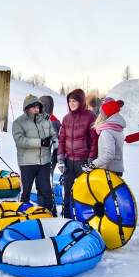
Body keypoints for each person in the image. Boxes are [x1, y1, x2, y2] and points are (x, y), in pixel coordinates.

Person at [12, 95, 58, 215]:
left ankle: (49, 215)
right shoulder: (18, 122)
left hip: (44, 162)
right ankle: (21, 216)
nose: (36, 110)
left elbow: (54, 136)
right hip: (27, 163)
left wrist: (57, 147)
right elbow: (20, 140)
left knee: (46, 190)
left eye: (38, 107)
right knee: (26, 191)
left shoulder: (46, 120)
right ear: (27, 108)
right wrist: (40, 142)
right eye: (33, 107)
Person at [56, 89, 96, 218]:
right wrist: (61, 159)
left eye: (74, 101)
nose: (71, 103)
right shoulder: (66, 118)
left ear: (81, 101)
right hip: (69, 161)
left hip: (83, 161)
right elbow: (61, 140)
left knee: (84, 192)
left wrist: (91, 160)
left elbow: (95, 140)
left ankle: (84, 219)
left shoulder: (90, 116)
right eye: (70, 101)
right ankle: (67, 218)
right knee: (67, 191)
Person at [83, 97, 126, 176]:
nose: (100, 115)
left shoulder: (107, 131)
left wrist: (92, 164)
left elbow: (109, 154)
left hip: (109, 171)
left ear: (106, 112)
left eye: (102, 113)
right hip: (116, 170)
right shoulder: (117, 127)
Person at [39, 95, 61, 179]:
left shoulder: (53, 121)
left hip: (48, 158)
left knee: (46, 179)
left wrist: (53, 157)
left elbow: (56, 142)